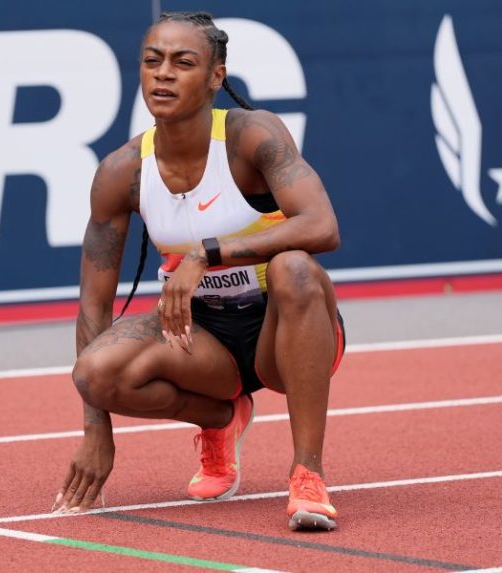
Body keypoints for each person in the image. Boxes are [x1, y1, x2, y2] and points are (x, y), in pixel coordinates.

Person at [52, 11, 345, 531]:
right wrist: (97, 428)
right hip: (203, 337)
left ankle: (307, 474)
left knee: (294, 268)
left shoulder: (250, 137)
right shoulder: (122, 173)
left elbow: (322, 225)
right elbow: (93, 305)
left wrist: (206, 252)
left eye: (183, 62)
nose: (163, 73)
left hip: (286, 328)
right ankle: (222, 418)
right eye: (152, 61)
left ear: (215, 76)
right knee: (95, 374)